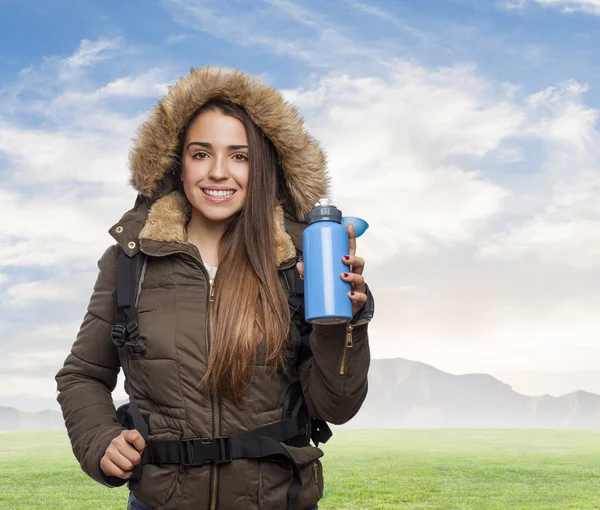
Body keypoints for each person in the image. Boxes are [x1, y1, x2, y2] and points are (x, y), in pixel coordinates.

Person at [55, 66, 374, 510]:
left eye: (239, 156)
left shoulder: (299, 263)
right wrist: (100, 440)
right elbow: (82, 375)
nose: (219, 172)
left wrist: (344, 321)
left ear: (262, 166)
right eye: (201, 154)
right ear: (177, 164)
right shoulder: (130, 261)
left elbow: (335, 406)